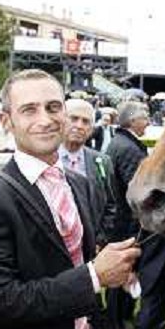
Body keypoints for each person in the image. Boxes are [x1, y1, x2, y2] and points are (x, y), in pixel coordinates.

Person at [0, 69, 141, 329]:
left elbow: (75, 260)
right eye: (29, 110)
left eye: (53, 107)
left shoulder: (82, 185)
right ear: (6, 121)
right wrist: (94, 276)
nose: (45, 119)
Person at [105, 101, 150, 329]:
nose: (149, 121)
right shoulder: (129, 147)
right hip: (128, 223)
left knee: (121, 273)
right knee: (123, 274)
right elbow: (139, 191)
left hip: (121, 221)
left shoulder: (119, 142)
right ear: (133, 121)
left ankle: (119, 317)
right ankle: (117, 320)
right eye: (146, 117)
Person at [60, 98, 118, 247]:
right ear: (61, 121)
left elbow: (111, 205)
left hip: (90, 246)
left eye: (85, 122)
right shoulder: (45, 157)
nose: (79, 126)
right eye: (73, 119)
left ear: (91, 129)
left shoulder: (102, 161)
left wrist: (101, 239)